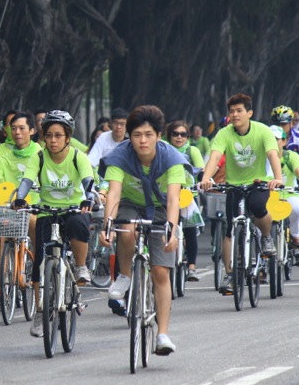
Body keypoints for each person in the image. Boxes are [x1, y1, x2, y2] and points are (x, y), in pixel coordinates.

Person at [99, 105, 184, 355]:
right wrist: (107, 227)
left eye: (148, 134)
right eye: (136, 135)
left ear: (159, 136)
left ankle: (163, 334)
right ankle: (125, 276)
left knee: (160, 272)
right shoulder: (120, 156)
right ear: (129, 136)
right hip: (130, 206)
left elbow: (173, 200)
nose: (142, 141)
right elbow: (113, 194)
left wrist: (171, 230)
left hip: (160, 210)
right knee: (127, 227)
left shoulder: (172, 159)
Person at [12, 110, 96, 336]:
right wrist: (20, 198)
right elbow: (27, 179)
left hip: (75, 208)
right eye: (49, 135)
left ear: (68, 137)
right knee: (40, 259)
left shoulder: (79, 157)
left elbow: (88, 180)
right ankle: (41, 310)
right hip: (47, 210)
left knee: (79, 224)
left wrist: (89, 197)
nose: (53, 140)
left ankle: (80, 266)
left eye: (58, 135)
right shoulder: (38, 157)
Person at [200, 93, 284, 295]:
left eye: (239, 111)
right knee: (230, 229)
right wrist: (206, 177)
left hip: (257, 183)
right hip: (234, 186)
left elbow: (273, 155)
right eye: (231, 111)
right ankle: (229, 275)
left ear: (250, 113)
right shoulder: (224, 134)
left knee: (257, 207)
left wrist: (277, 178)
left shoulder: (263, 131)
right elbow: (215, 157)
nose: (235, 115)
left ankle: (265, 237)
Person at [0, 111, 41, 307]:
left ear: (32, 131)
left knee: (33, 222)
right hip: (7, 207)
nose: (17, 132)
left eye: (22, 128)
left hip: (34, 207)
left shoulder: (41, 154)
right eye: (13, 128)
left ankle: (39, 266)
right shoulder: (4, 158)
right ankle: (0, 285)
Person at [271, 105, 299, 255]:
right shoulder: (266, 140)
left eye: (284, 124)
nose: (281, 127)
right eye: (277, 124)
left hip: (293, 184)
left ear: (291, 123)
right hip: (271, 192)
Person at [166, 121, 203, 281]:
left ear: (188, 136)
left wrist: (201, 180)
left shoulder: (191, 150)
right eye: (175, 134)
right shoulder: (163, 148)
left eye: (183, 134)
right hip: (166, 194)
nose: (179, 137)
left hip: (187, 194)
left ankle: (192, 267)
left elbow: (200, 169)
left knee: (190, 229)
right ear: (169, 136)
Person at [269, 125, 299, 265]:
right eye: (270, 139)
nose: (273, 142)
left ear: (284, 142)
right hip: (269, 196)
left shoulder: (290, 156)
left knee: (298, 209)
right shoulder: (262, 157)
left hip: (289, 194)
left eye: (276, 139)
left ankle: (294, 235)